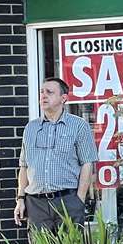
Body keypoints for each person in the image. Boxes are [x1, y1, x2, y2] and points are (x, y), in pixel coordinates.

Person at [14, 77, 95, 235]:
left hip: (67, 200)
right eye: (41, 92)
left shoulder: (79, 126)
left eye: (49, 92)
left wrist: (78, 199)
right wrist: (20, 199)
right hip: (36, 204)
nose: (43, 96)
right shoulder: (31, 128)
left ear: (63, 98)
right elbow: (24, 166)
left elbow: (87, 164)